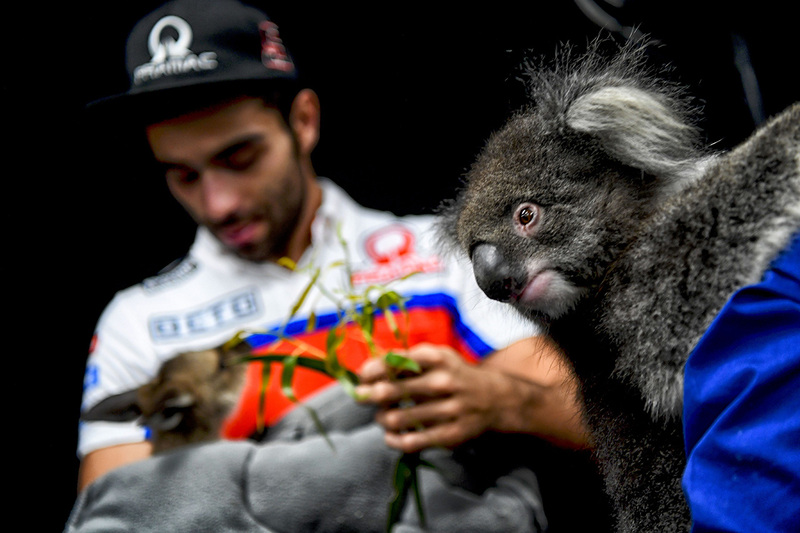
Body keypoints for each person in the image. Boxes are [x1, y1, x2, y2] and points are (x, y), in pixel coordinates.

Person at [69, 0, 601, 531]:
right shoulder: (138, 323)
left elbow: (598, 411)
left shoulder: (439, 257)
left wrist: (497, 399)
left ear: (303, 121)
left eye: (240, 158)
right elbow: (115, 512)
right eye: (183, 175)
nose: (218, 203)